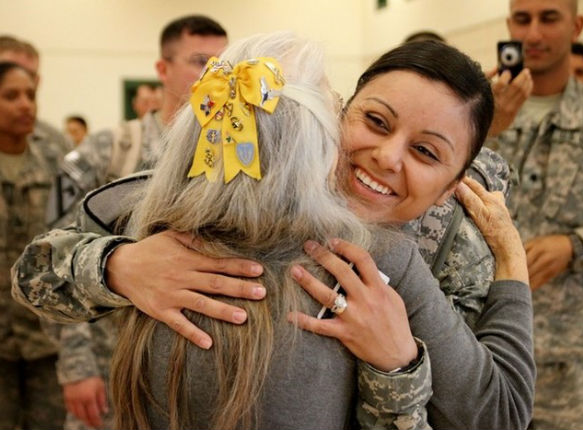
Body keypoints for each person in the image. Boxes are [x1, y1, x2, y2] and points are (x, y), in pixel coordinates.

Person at [12, 39, 534, 429]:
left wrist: (402, 360)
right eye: (375, 122)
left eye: (426, 152)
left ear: (452, 185)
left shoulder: (444, 248)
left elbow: (496, 415)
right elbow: (33, 273)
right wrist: (118, 267)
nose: (387, 157)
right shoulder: (217, 193)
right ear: (335, 114)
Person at [43, 14, 229, 430]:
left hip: (201, 381)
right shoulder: (107, 149)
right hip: (112, 367)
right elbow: (52, 254)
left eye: (225, 64)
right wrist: (77, 366)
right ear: (162, 70)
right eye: (200, 61)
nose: (215, 75)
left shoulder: (237, 160)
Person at [486, 0, 583, 428]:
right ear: (508, 25)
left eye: (548, 19)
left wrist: (575, 246)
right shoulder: (476, 109)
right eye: (523, 19)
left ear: (575, 26)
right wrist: (487, 128)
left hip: (577, 360)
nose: (533, 34)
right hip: (488, 348)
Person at [0, 61, 68, 429]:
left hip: (46, 337)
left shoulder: (57, 158)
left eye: (30, 95)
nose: (25, 104)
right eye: (11, 96)